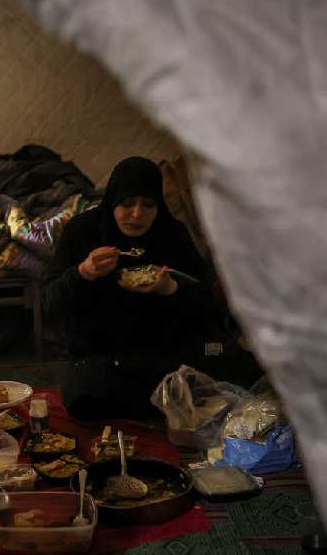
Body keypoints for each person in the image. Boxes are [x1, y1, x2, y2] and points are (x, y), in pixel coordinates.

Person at [43, 156, 261, 420]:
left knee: (243, 369)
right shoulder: (83, 232)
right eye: (127, 204)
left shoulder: (172, 234)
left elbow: (208, 309)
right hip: (103, 355)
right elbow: (49, 303)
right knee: (87, 397)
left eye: (148, 205)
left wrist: (170, 289)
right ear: (112, 200)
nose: (137, 214)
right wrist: (83, 273)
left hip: (166, 352)